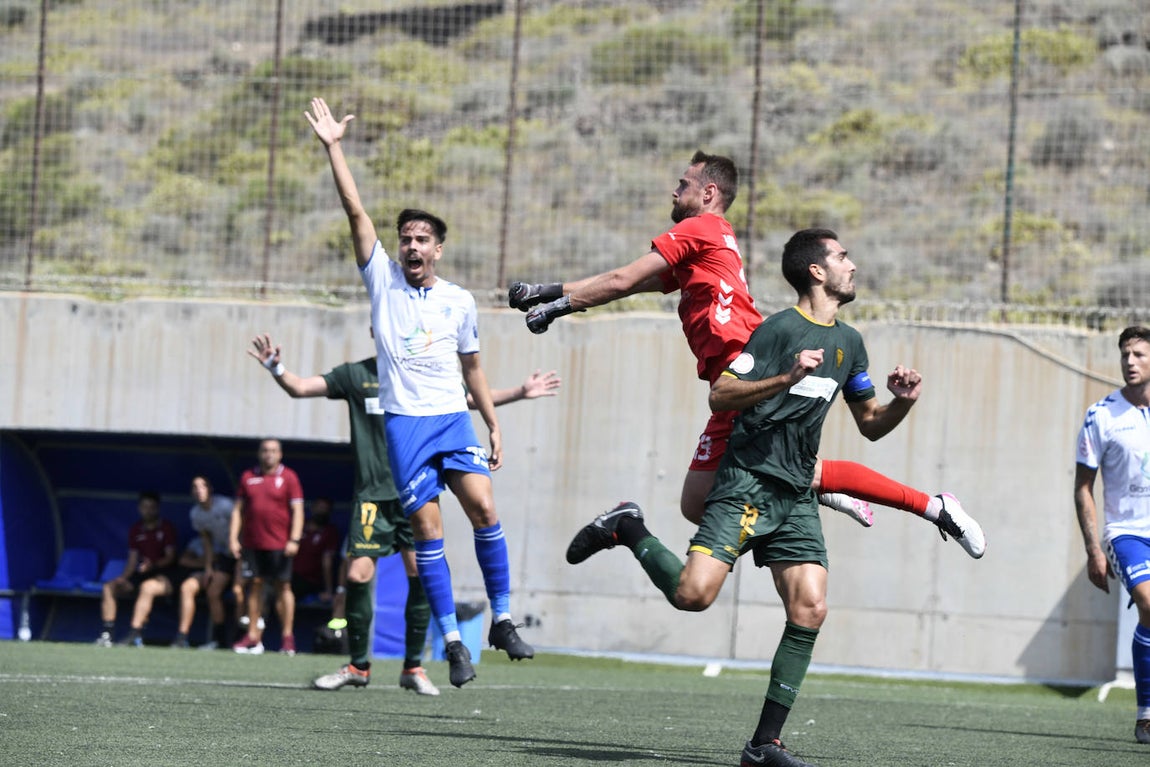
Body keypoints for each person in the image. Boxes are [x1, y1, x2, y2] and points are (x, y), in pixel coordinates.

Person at [567, 228, 959, 766]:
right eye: (843, 257)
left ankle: (763, 745)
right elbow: (721, 392)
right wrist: (786, 375)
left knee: (811, 607)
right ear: (816, 271)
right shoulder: (779, 330)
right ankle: (627, 526)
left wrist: (902, 403)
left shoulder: (852, 342)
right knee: (693, 596)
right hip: (746, 482)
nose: (853, 265)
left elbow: (869, 424)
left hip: (796, 493)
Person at [510, 150, 985, 557]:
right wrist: (547, 292)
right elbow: (627, 283)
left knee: (740, 497)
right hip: (734, 377)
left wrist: (557, 308)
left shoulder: (701, 228)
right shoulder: (704, 243)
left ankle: (932, 506)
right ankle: (822, 490)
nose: (674, 192)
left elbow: (621, 279)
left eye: (683, 184)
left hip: (747, 374)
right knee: (698, 502)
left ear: (709, 192)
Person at [306, 95, 535, 688]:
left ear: (438, 249)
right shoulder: (381, 280)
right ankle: (451, 644)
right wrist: (335, 148)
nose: (411, 246)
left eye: (421, 239)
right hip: (405, 426)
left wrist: (493, 422)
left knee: (484, 508)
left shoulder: (459, 301)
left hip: (452, 420)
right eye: (405, 237)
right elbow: (356, 213)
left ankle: (502, 619)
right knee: (429, 533)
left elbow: (475, 370)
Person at [249, 332, 561, 694]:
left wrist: (519, 393)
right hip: (372, 497)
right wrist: (276, 367)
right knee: (357, 574)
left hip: (416, 489)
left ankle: (413, 667)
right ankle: (358, 665)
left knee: (420, 571)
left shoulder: (423, 373)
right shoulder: (356, 374)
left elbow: (469, 400)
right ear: (376, 330)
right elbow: (300, 387)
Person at [1074, 325, 1150, 745]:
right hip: (1126, 534)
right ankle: (1146, 715)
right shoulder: (1101, 415)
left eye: (1139, 354)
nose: (1130, 361)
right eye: (1125, 354)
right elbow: (1083, 486)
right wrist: (1093, 550)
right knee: (1149, 603)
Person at [228, 438, 305, 656]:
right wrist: (234, 538)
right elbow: (237, 511)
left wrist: (295, 539)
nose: (268, 454)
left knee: (283, 587)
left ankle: (287, 638)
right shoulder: (248, 477)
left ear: (279, 454)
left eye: (273, 451)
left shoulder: (289, 477)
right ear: (259, 453)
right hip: (253, 544)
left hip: (281, 544)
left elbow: (298, 511)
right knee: (255, 586)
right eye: (265, 450)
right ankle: (253, 636)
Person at [94, 490, 179, 648]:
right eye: (145, 507)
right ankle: (107, 634)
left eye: (152, 507)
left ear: (157, 509)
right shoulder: (135, 529)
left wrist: (153, 565)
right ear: (139, 508)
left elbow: (170, 557)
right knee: (109, 587)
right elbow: (133, 559)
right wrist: (124, 577)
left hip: (164, 574)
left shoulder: (166, 528)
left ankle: (134, 633)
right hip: (141, 573)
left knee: (147, 588)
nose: (148, 510)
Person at [171, 475, 236, 649]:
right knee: (213, 591)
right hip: (225, 556)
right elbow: (207, 542)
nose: (199, 491)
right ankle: (218, 640)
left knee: (240, 592)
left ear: (210, 489)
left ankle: (245, 639)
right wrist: (208, 567)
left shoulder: (225, 505)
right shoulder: (196, 514)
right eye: (195, 487)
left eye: (202, 486)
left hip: (244, 553)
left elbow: (242, 524)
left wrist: (236, 543)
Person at [291, 496, 342, 604]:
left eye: (325, 509)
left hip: (310, 580)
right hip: (289, 575)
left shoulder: (329, 532)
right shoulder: (300, 526)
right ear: (312, 508)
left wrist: (328, 590)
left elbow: (327, 562)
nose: (321, 511)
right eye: (319, 508)